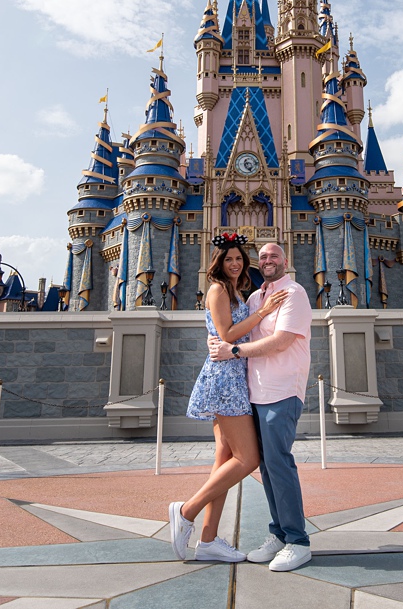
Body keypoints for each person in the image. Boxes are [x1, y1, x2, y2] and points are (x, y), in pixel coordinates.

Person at [168, 233, 288, 563]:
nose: (234, 264)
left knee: (223, 460)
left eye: (238, 258)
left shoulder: (236, 290)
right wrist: (262, 313)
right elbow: (227, 335)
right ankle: (187, 511)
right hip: (226, 380)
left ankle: (208, 540)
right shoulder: (218, 290)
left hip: (236, 375)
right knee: (247, 459)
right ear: (218, 263)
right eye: (228, 259)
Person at [209, 241, 313, 572]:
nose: (267, 260)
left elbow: (282, 341)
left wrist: (234, 351)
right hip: (256, 393)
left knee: (279, 463)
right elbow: (234, 332)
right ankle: (279, 534)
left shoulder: (293, 293)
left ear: (286, 261)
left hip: (282, 391)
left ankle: (298, 541)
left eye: (274, 256)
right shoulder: (256, 298)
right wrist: (216, 340)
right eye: (263, 256)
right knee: (267, 466)